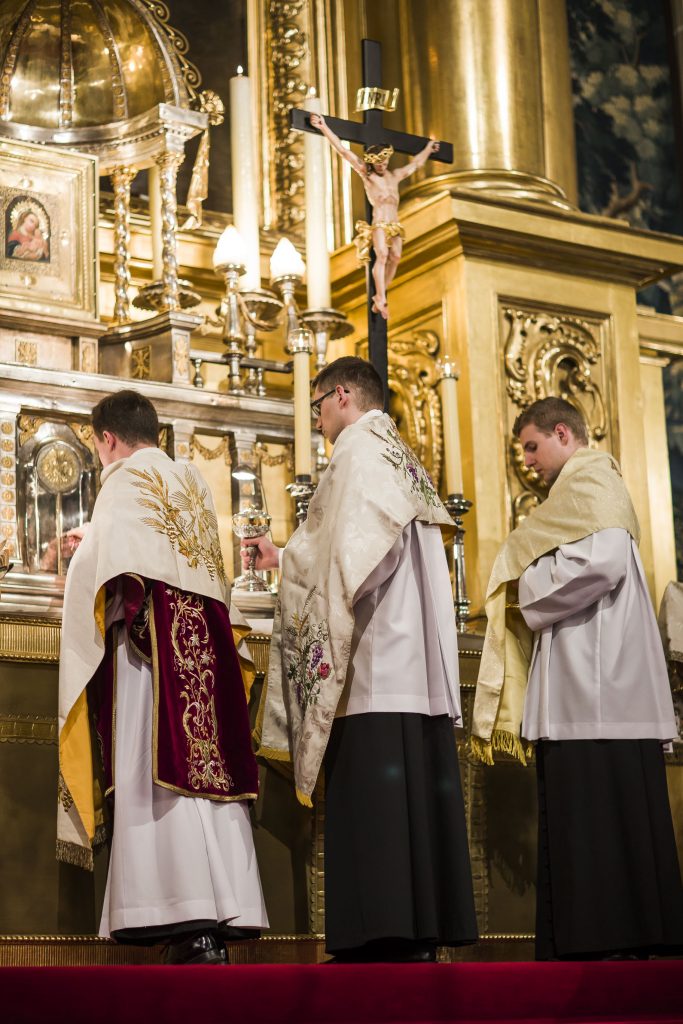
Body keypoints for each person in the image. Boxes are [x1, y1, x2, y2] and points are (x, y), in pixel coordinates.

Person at [243, 356, 477, 962]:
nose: (318, 421)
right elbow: (353, 546)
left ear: (341, 395)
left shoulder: (357, 454)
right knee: (412, 807)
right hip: (413, 666)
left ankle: (381, 937)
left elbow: (356, 561)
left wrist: (306, 584)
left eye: (317, 406)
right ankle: (418, 931)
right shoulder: (398, 455)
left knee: (376, 807)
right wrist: (287, 558)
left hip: (373, 663)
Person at [57, 390, 268, 965]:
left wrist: (80, 555)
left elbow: (114, 576)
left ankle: (180, 916)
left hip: (151, 660)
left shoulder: (122, 480)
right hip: (203, 653)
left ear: (106, 439)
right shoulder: (192, 481)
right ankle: (223, 913)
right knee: (206, 781)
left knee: (157, 773)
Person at [471, 396, 683, 960]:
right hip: (588, 685)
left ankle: (605, 943)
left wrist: (526, 587)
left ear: (563, 433)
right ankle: (611, 939)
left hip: (599, 689)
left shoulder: (591, 483)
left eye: (532, 447)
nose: (527, 461)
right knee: (600, 819)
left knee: (599, 822)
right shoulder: (577, 491)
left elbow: (601, 562)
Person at [309, 113, 439, 319]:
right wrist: (324, 127)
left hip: (395, 224)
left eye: (385, 162)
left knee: (396, 257)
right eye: (379, 164)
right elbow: (343, 151)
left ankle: (381, 293)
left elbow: (416, 164)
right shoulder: (367, 175)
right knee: (382, 255)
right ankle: (380, 296)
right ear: (372, 163)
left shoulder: (394, 176)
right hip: (379, 223)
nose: (382, 166)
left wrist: (428, 149)